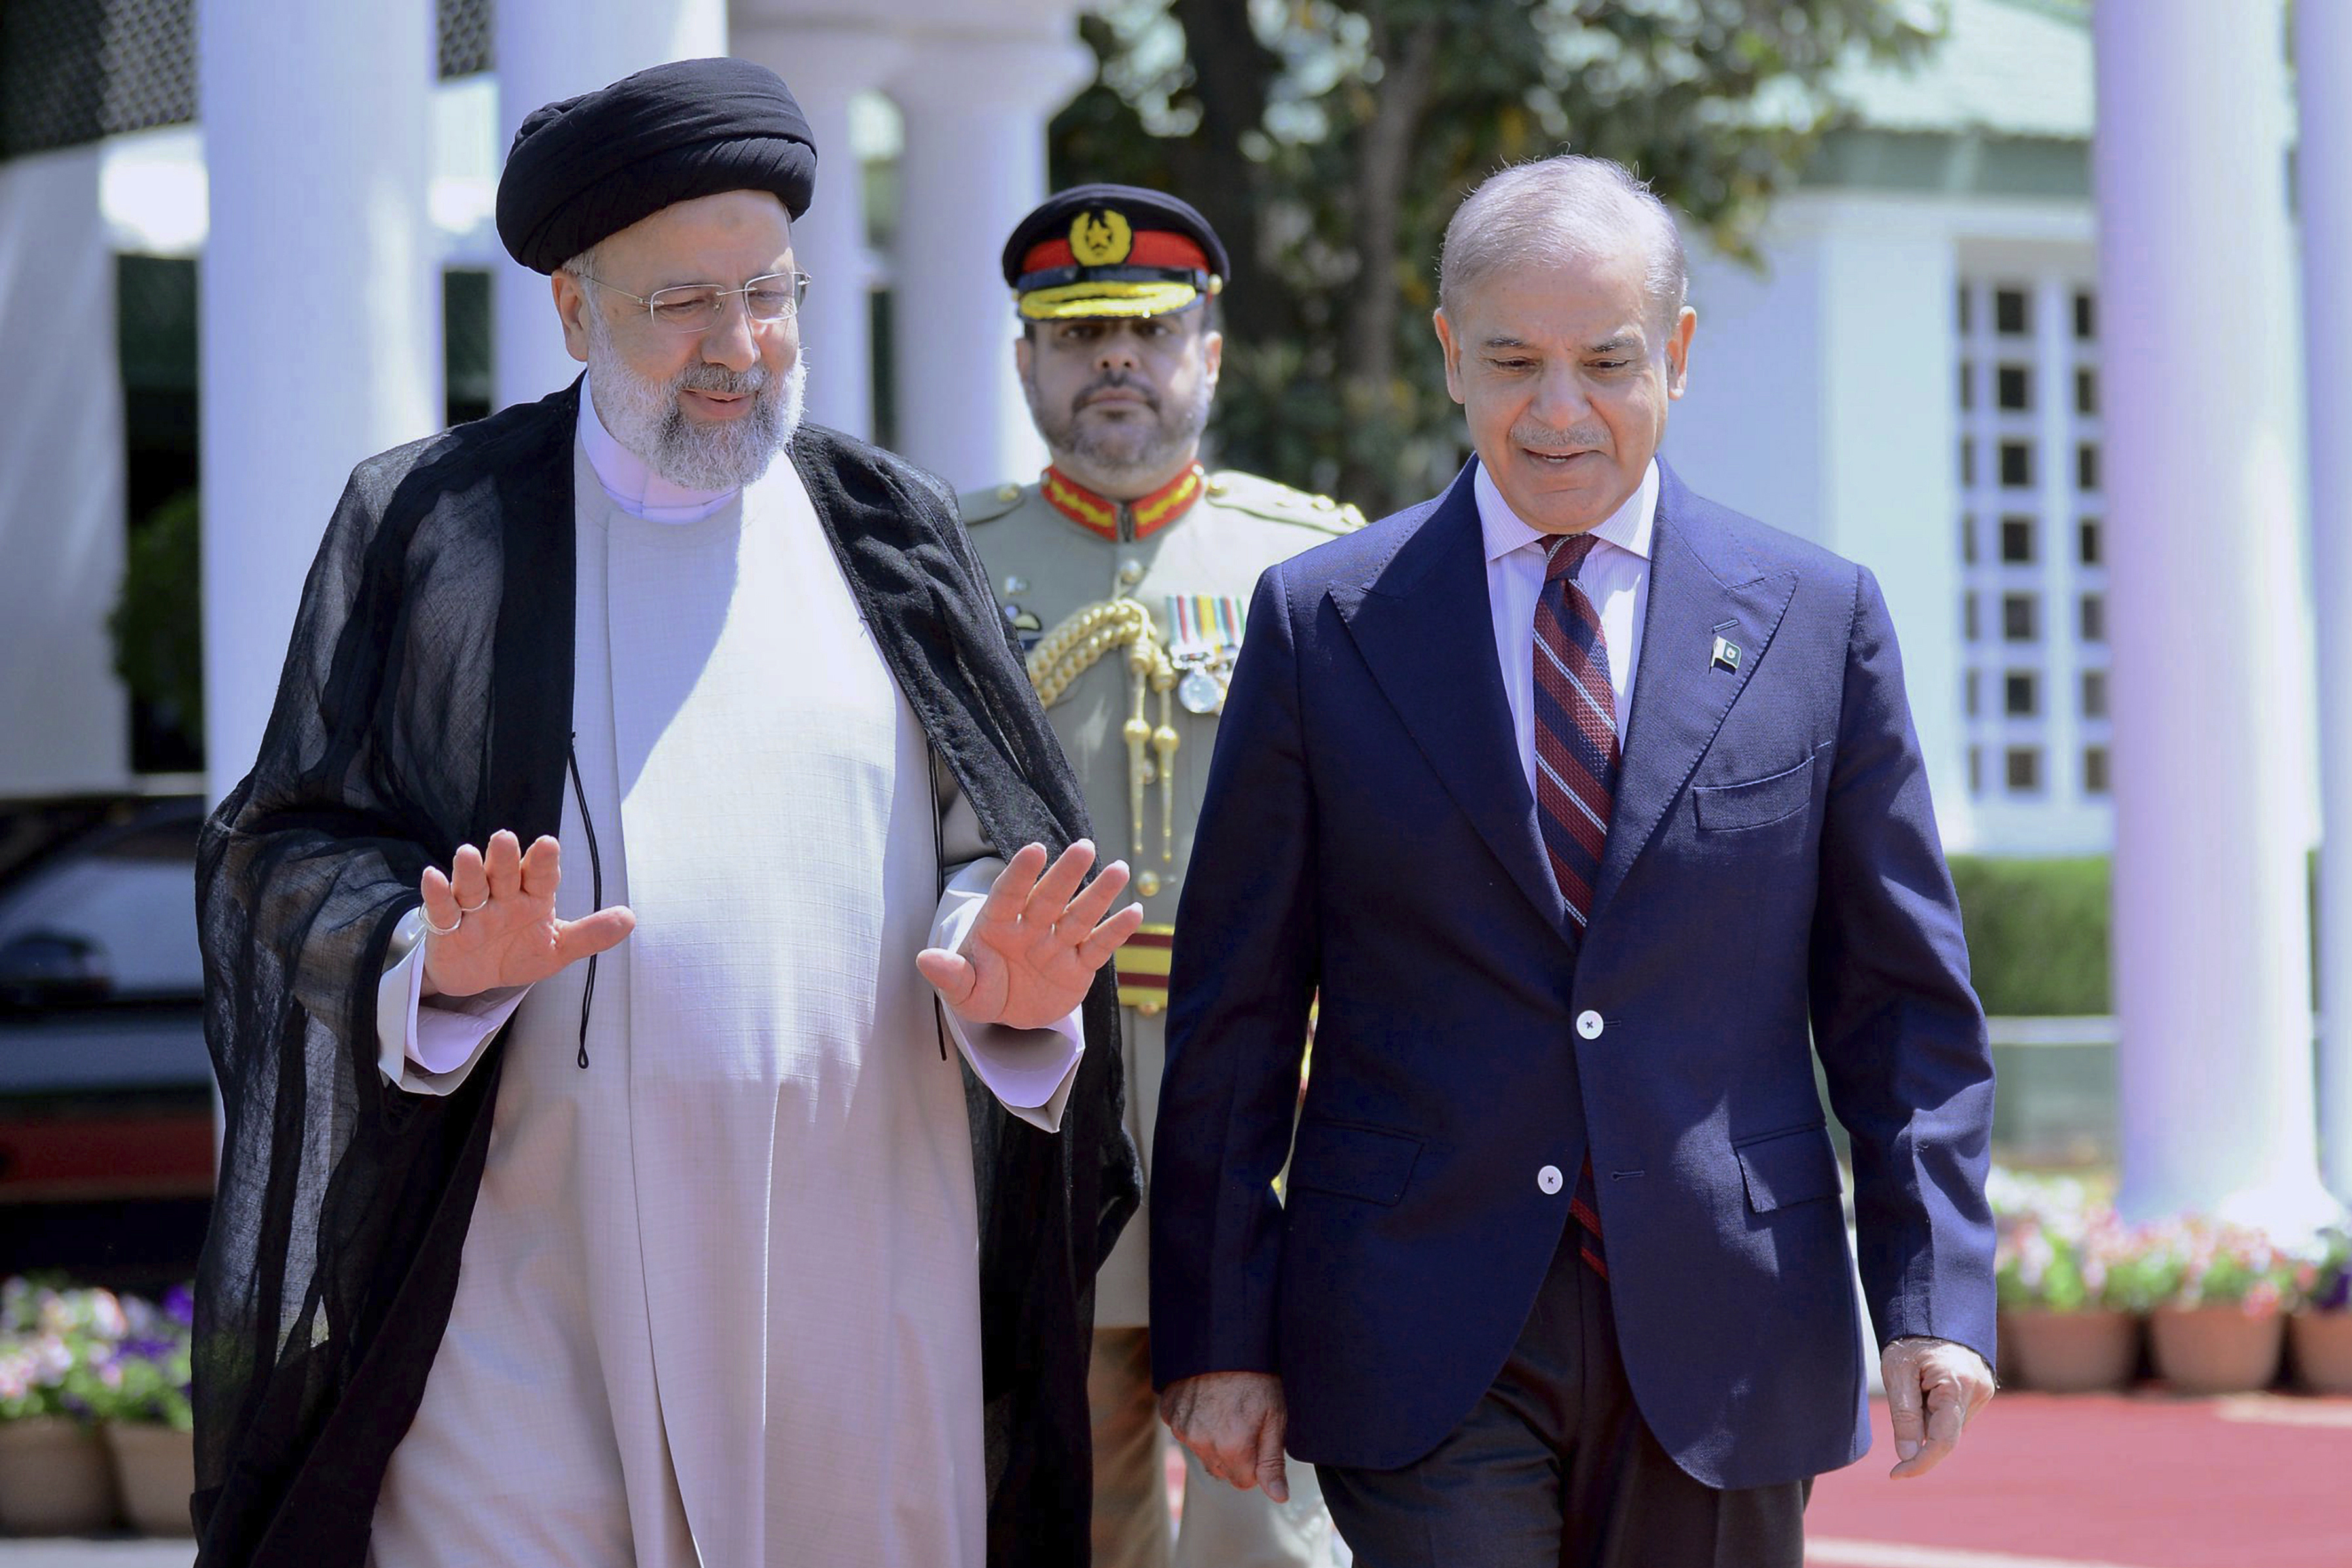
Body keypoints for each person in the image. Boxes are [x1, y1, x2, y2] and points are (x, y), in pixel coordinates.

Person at [192, 58, 1141, 1568]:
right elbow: (284, 846)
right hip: (529, 1292)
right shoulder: (444, 527)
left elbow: (990, 840)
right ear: (573, 312)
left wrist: (1003, 971)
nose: (738, 348)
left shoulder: (887, 523)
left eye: (768, 295)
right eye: (682, 303)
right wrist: (425, 957)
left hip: (855, 1283)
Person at [1149, 153, 1997, 1567]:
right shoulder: (1322, 623)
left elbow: (1902, 1004)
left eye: (1605, 362)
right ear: (1448, 355)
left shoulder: (1816, 620)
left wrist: (1930, 1297)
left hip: (1729, 1322)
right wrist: (1221, 1329)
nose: (1557, 411)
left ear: (1677, 352)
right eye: (1512, 362)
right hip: (1417, 1320)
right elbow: (1233, 1011)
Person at [961, 183, 1359, 1568]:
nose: (1115, 360)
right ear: (1026, 361)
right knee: (1067, 1514)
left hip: (1268, 1107)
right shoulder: (950, 564)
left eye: (1148, 329)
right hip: (1042, 1104)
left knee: (1272, 1522)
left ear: (1211, 351)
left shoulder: (1312, 560)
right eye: (1079, 337)